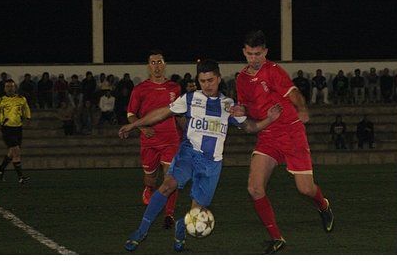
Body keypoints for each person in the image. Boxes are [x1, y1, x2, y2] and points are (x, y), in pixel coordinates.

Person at [120, 59, 283, 252]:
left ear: (219, 79)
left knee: (197, 212)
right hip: (188, 154)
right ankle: (141, 231)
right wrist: (134, 124)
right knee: (167, 185)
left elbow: (250, 127)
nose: (207, 85)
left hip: (211, 163)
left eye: (211, 80)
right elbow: (162, 113)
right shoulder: (189, 99)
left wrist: (269, 119)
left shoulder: (228, 105)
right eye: (203, 81)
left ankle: (181, 226)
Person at [233, 30, 334, 254]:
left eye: (258, 54)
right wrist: (240, 110)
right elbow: (245, 109)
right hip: (267, 135)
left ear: (265, 52)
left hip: (291, 132)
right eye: (250, 54)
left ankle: (323, 205)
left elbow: (294, 92)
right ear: (244, 52)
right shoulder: (241, 79)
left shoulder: (273, 71)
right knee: (254, 188)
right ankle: (277, 238)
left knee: (305, 189)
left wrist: (303, 108)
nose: (254, 59)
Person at [126, 49, 182, 229]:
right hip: (149, 142)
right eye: (153, 62)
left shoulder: (174, 87)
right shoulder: (140, 89)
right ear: (148, 66)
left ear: (164, 65)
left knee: (171, 177)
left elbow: (179, 113)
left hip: (171, 139)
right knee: (151, 179)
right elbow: (131, 114)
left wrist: (187, 129)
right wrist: (142, 127)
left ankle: (169, 214)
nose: (156, 66)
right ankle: (149, 189)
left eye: (159, 62)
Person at [0, 79, 31, 183]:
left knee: (11, 152)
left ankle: (1, 168)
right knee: (16, 151)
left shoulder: (21, 99)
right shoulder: (0, 100)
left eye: (11, 86)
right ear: (4, 88)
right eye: (7, 86)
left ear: (15, 87)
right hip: (7, 128)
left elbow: (26, 109)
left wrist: (27, 118)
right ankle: (20, 177)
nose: (10, 88)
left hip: (18, 127)